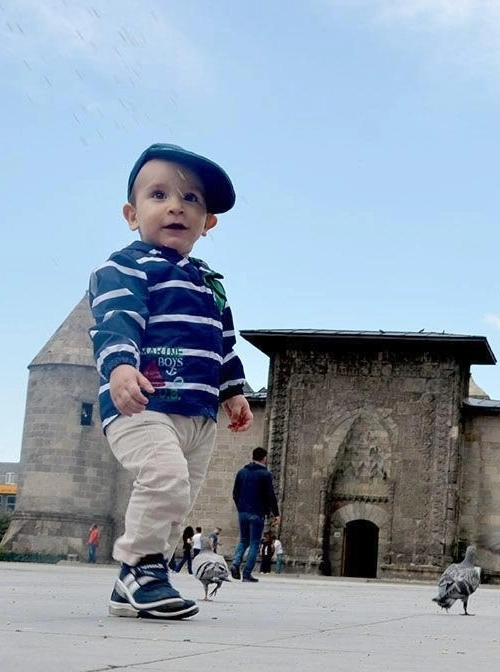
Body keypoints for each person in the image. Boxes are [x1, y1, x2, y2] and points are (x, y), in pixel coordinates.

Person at [89, 143, 253, 620]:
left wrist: (233, 391)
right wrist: (120, 366)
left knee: (178, 496)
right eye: (158, 194)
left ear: (209, 223)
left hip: (198, 415)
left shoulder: (210, 283)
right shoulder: (125, 267)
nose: (176, 205)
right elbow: (117, 320)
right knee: (164, 479)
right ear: (131, 212)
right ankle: (142, 566)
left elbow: (223, 342)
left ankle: (132, 586)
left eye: (191, 199)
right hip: (145, 405)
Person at [231, 446, 280, 583]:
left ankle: (235, 562)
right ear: (264, 458)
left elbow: (235, 493)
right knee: (254, 543)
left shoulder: (242, 472)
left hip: (243, 512)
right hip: (257, 513)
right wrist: (276, 513)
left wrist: (241, 507)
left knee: (243, 540)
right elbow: (270, 495)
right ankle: (246, 573)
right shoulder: (265, 474)